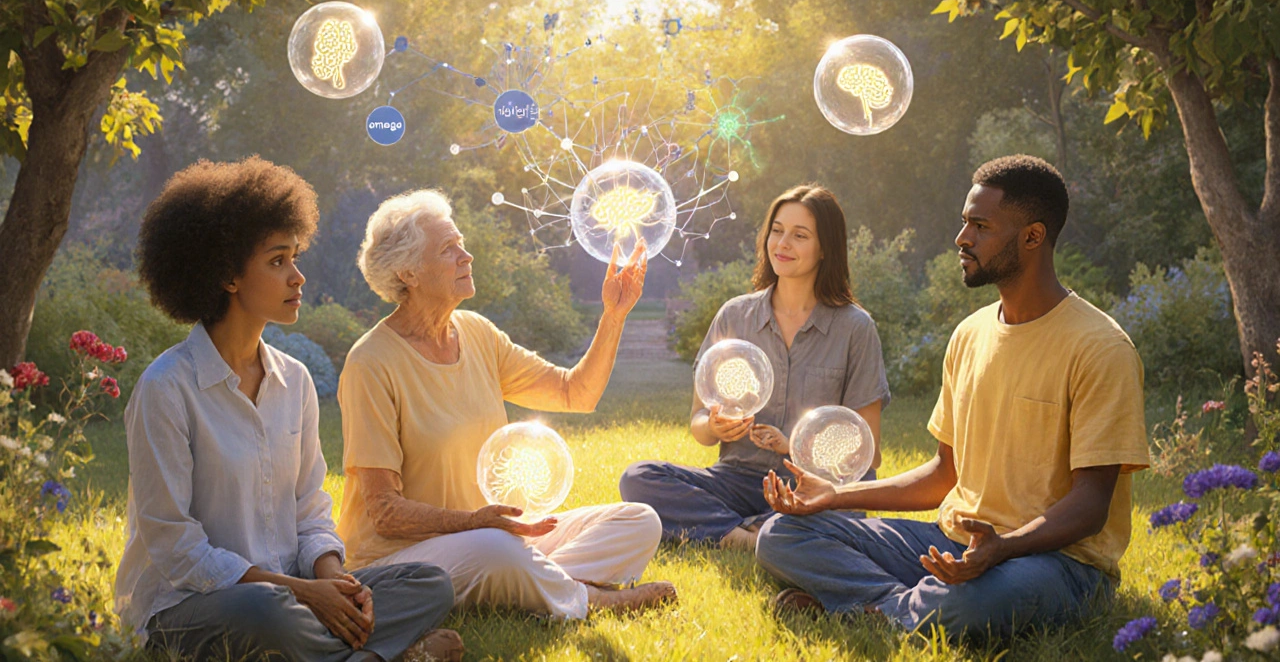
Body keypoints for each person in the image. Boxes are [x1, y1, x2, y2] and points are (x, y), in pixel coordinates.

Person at [756, 155, 1150, 639]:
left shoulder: (1100, 348)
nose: (962, 239)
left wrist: (1002, 549)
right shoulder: (969, 335)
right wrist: (837, 496)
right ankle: (900, 608)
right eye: (965, 223)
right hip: (951, 540)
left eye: (980, 226)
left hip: (1056, 563)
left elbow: (1090, 505)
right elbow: (946, 474)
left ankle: (882, 605)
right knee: (782, 535)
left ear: (1032, 236)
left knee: (984, 600)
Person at [114, 158, 462, 662]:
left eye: (295, 257)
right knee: (266, 613)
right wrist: (301, 595)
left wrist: (333, 584)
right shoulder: (166, 388)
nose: (297, 277)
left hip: (294, 592)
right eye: (278, 261)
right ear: (228, 275)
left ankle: (336, 649)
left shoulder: (294, 380)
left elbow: (309, 508)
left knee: (430, 583)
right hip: (192, 606)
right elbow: (175, 548)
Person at [335, 189, 676, 619]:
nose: (467, 256)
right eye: (449, 249)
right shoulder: (370, 362)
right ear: (409, 272)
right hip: (399, 561)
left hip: (487, 535)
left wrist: (615, 314)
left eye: (461, 243)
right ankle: (589, 598)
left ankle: (528, 588)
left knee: (639, 520)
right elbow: (384, 513)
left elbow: (576, 393)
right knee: (498, 549)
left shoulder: (476, 332)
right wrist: (475, 523)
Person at [620, 185, 890, 550]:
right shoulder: (735, 316)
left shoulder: (855, 328)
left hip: (809, 485)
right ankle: (743, 537)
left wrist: (793, 447)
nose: (783, 243)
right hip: (737, 480)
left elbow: (867, 455)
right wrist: (713, 425)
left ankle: (759, 529)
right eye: (777, 231)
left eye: (800, 235)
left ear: (825, 247)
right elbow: (699, 425)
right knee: (639, 478)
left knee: (844, 512)